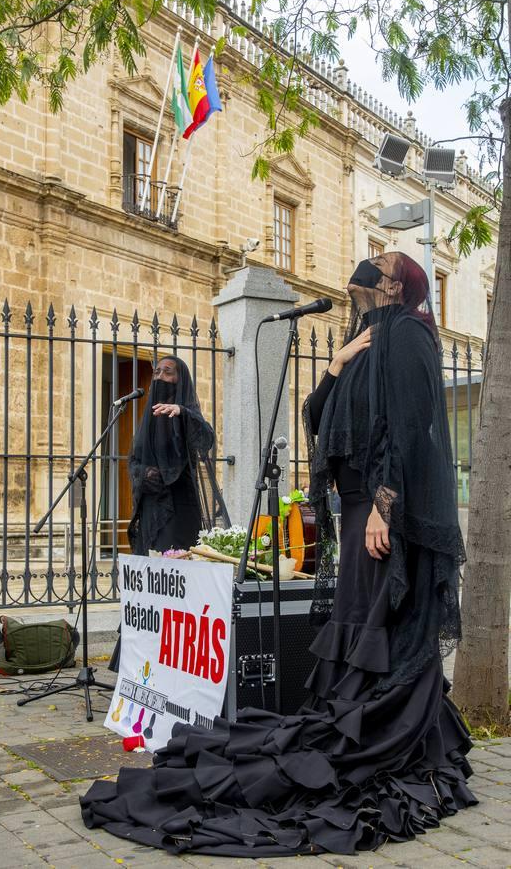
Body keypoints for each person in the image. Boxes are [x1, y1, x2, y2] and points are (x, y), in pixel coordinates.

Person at [83, 253, 476, 857]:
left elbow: (408, 424)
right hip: (355, 509)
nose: (361, 286)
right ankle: (380, 726)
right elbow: (317, 416)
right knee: (362, 619)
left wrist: (385, 504)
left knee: (383, 623)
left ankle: (399, 735)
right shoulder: (362, 339)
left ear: (400, 286)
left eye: (378, 276)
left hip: (378, 509)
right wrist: (336, 363)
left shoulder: (409, 335)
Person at [127, 355, 215, 555]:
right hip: (151, 506)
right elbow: (133, 460)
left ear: (180, 379)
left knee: (174, 568)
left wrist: (182, 412)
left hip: (179, 508)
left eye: (168, 372)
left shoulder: (186, 413)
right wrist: (145, 473)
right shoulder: (149, 420)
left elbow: (206, 440)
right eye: (157, 372)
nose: (160, 376)